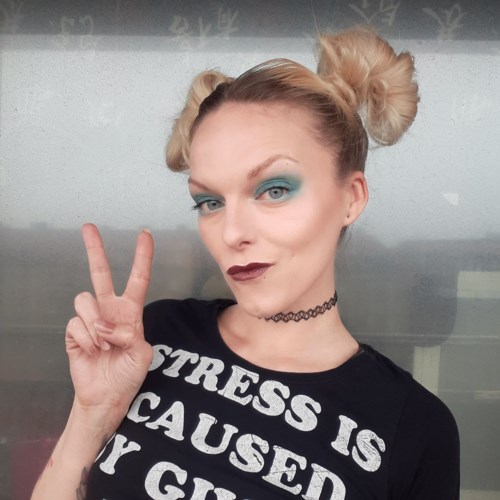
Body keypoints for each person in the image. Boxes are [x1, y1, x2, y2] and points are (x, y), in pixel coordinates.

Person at [32, 27, 460, 499]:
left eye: (274, 190)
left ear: (351, 198)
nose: (232, 232)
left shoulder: (414, 427)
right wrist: (89, 418)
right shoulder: (152, 337)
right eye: (210, 202)